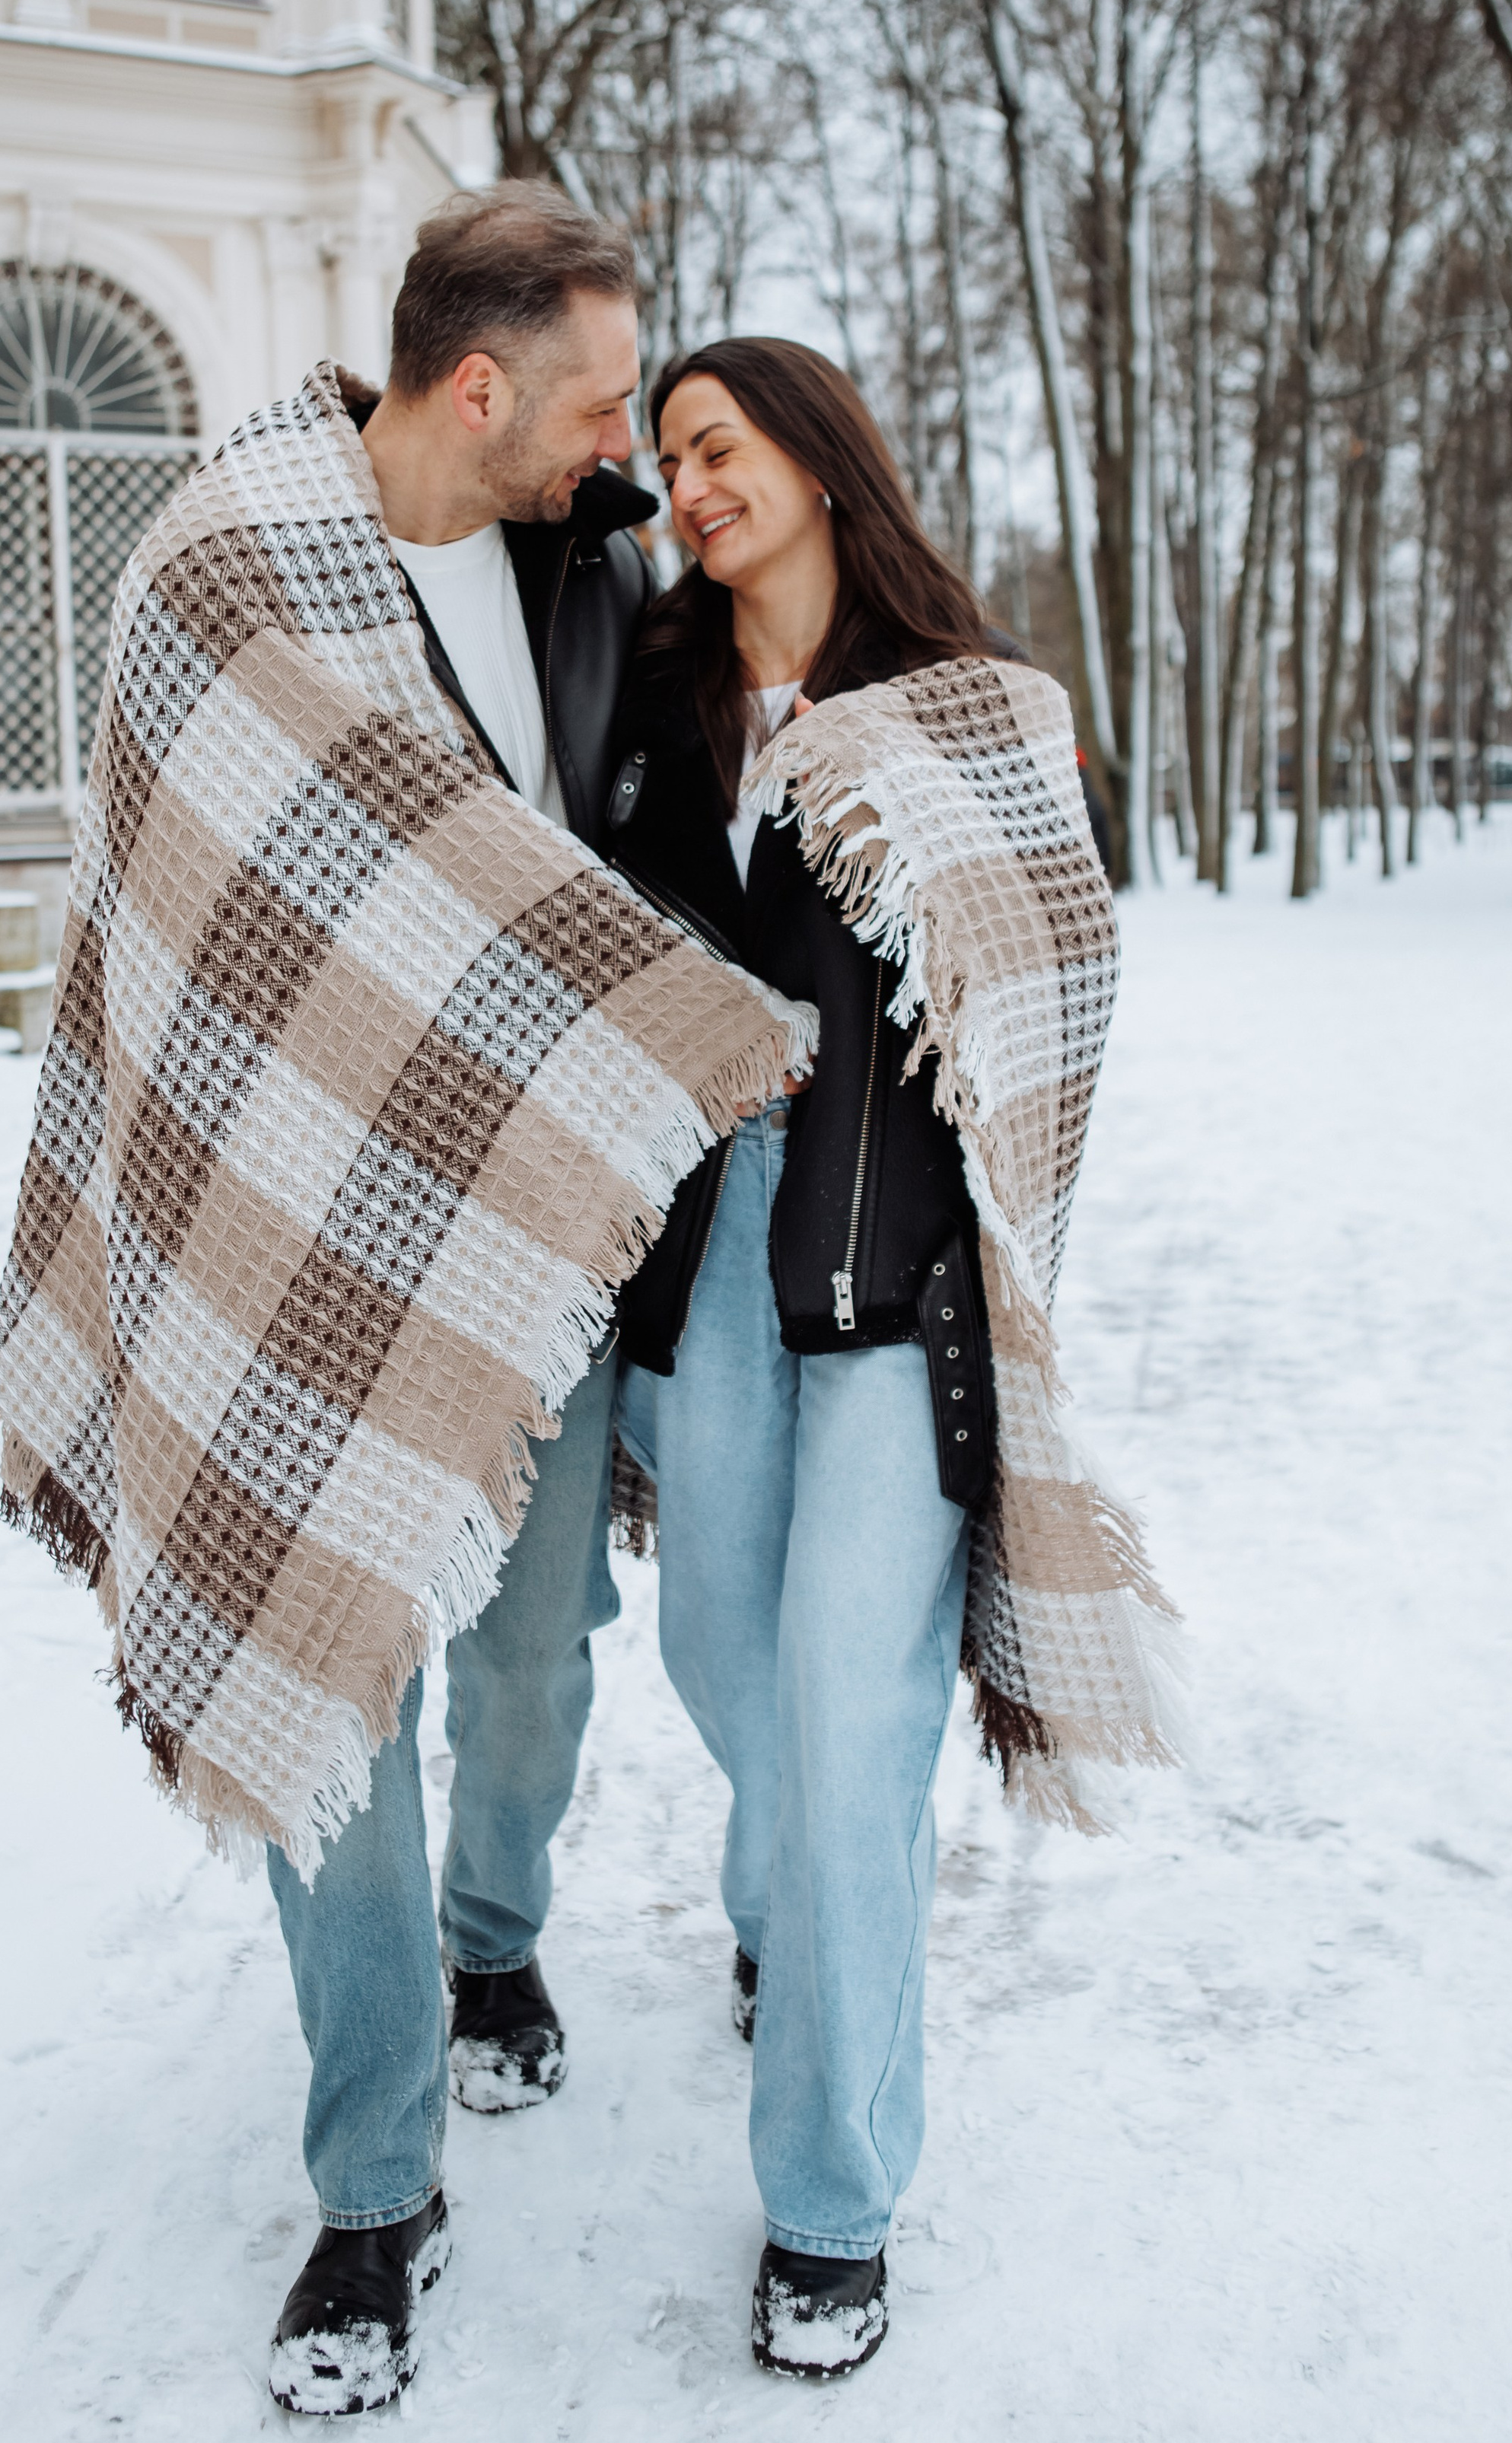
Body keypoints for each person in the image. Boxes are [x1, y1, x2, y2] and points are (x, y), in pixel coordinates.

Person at [265, 185, 654, 2413]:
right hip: (310, 1238)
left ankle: (489, 1941)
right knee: (331, 1692)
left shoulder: (584, 568)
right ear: (482, 383)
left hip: (548, 1231)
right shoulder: (245, 577)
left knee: (526, 1656)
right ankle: (369, 2181)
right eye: (600, 396)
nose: (624, 440)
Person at [607, 338, 1014, 2384]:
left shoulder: (966, 708)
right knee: (725, 1672)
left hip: (884, 1284)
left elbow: (1051, 991)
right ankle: (787, 1894)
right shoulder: (652, 700)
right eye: (669, 452)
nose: (689, 480)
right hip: (700, 1269)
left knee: (856, 1735)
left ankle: (829, 2203)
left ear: (820, 456)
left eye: (719, 442)